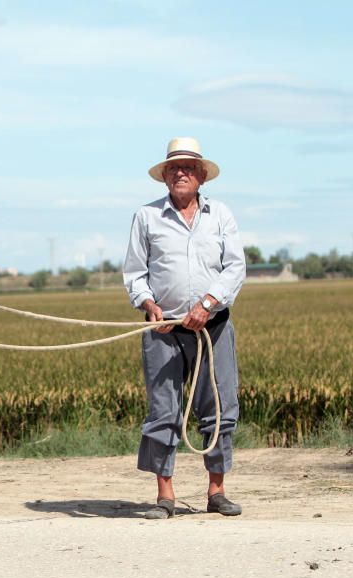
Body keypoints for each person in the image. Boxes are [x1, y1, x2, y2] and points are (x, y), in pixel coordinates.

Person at [123, 137, 246, 519]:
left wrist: (208, 304)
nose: (181, 172)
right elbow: (134, 272)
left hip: (214, 326)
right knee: (163, 410)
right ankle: (165, 496)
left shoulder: (220, 215)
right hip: (164, 329)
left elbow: (235, 267)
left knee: (219, 407)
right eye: (174, 167)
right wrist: (148, 304)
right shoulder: (146, 217)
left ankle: (217, 491)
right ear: (164, 177)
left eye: (189, 167)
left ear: (202, 175)